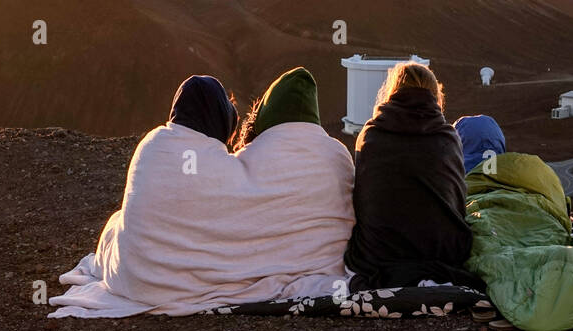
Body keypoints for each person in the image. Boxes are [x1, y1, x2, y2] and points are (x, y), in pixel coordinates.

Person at [49, 68, 355, 317]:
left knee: (118, 224)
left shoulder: (151, 145)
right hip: (326, 265)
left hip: (134, 280)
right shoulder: (336, 154)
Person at [457, 114, 573, 331]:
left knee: (490, 247)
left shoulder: (456, 178)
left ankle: (528, 283)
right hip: (537, 211)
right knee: (542, 240)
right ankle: (550, 271)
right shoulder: (529, 171)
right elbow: (559, 204)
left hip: (484, 213)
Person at [344, 61, 479, 290]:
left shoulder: (371, 135)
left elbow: (364, 197)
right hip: (444, 253)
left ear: (391, 92)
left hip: (379, 255)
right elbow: (456, 201)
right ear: (435, 95)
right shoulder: (448, 137)